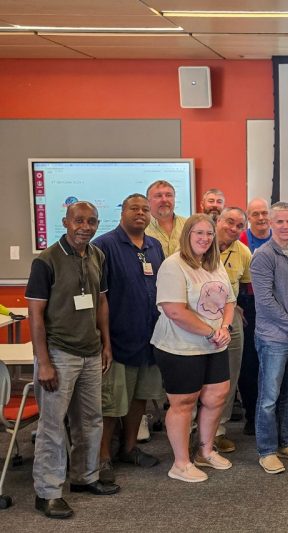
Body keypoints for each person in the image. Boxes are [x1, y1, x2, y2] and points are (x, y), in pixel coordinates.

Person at [26, 201, 119, 519]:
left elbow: (101, 303)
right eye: (79, 220)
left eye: (92, 222)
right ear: (65, 222)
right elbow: (35, 315)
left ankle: (84, 477)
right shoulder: (46, 260)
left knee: (90, 421)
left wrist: (106, 344)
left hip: (91, 353)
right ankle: (47, 493)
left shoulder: (97, 255)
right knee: (52, 427)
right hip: (59, 354)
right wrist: (45, 361)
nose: (86, 227)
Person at [150, 213, 236, 483]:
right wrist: (212, 331)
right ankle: (181, 463)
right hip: (180, 347)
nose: (205, 238)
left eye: (209, 234)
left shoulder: (214, 264)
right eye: (198, 233)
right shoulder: (173, 265)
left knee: (216, 397)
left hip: (214, 344)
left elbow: (229, 301)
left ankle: (205, 452)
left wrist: (225, 328)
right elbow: (174, 311)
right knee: (184, 403)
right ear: (187, 235)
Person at [93, 194, 164, 484]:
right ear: (121, 212)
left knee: (140, 398)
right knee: (111, 403)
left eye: (145, 210)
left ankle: (129, 448)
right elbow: (100, 299)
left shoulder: (154, 246)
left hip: (149, 339)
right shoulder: (104, 246)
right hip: (118, 341)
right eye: (134, 208)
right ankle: (102, 458)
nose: (141, 213)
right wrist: (104, 342)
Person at [250, 202, 288, 475]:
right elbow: (264, 301)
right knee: (269, 397)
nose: (286, 226)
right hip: (273, 337)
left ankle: (287, 443)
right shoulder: (262, 256)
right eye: (280, 222)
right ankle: (266, 451)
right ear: (271, 224)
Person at [214, 207, 252, 452]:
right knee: (199, 375)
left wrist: (237, 307)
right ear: (218, 220)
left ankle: (218, 431)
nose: (233, 228)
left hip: (231, 317)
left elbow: (247, 288)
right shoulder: (200, 242)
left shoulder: (243, 252)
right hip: (198, 317)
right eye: (229, 222)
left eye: (239, 226)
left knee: (229, 376)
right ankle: (191, 429)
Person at [238, 197, 271, 434]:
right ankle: (252, 416)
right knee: (249, 365)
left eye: (264, 213)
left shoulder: (283, 237)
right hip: (248, 306)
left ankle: (273, 416)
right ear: (248, 218)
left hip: (273, 308)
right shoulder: (240, 241)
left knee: (272, 364)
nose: (261, 218)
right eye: (255, 214)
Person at [145, 180, 186, 257]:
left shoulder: (188, 225)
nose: (164, 200)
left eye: (168, 195)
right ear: (148, 202)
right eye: (158, 196)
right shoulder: (141, 228)